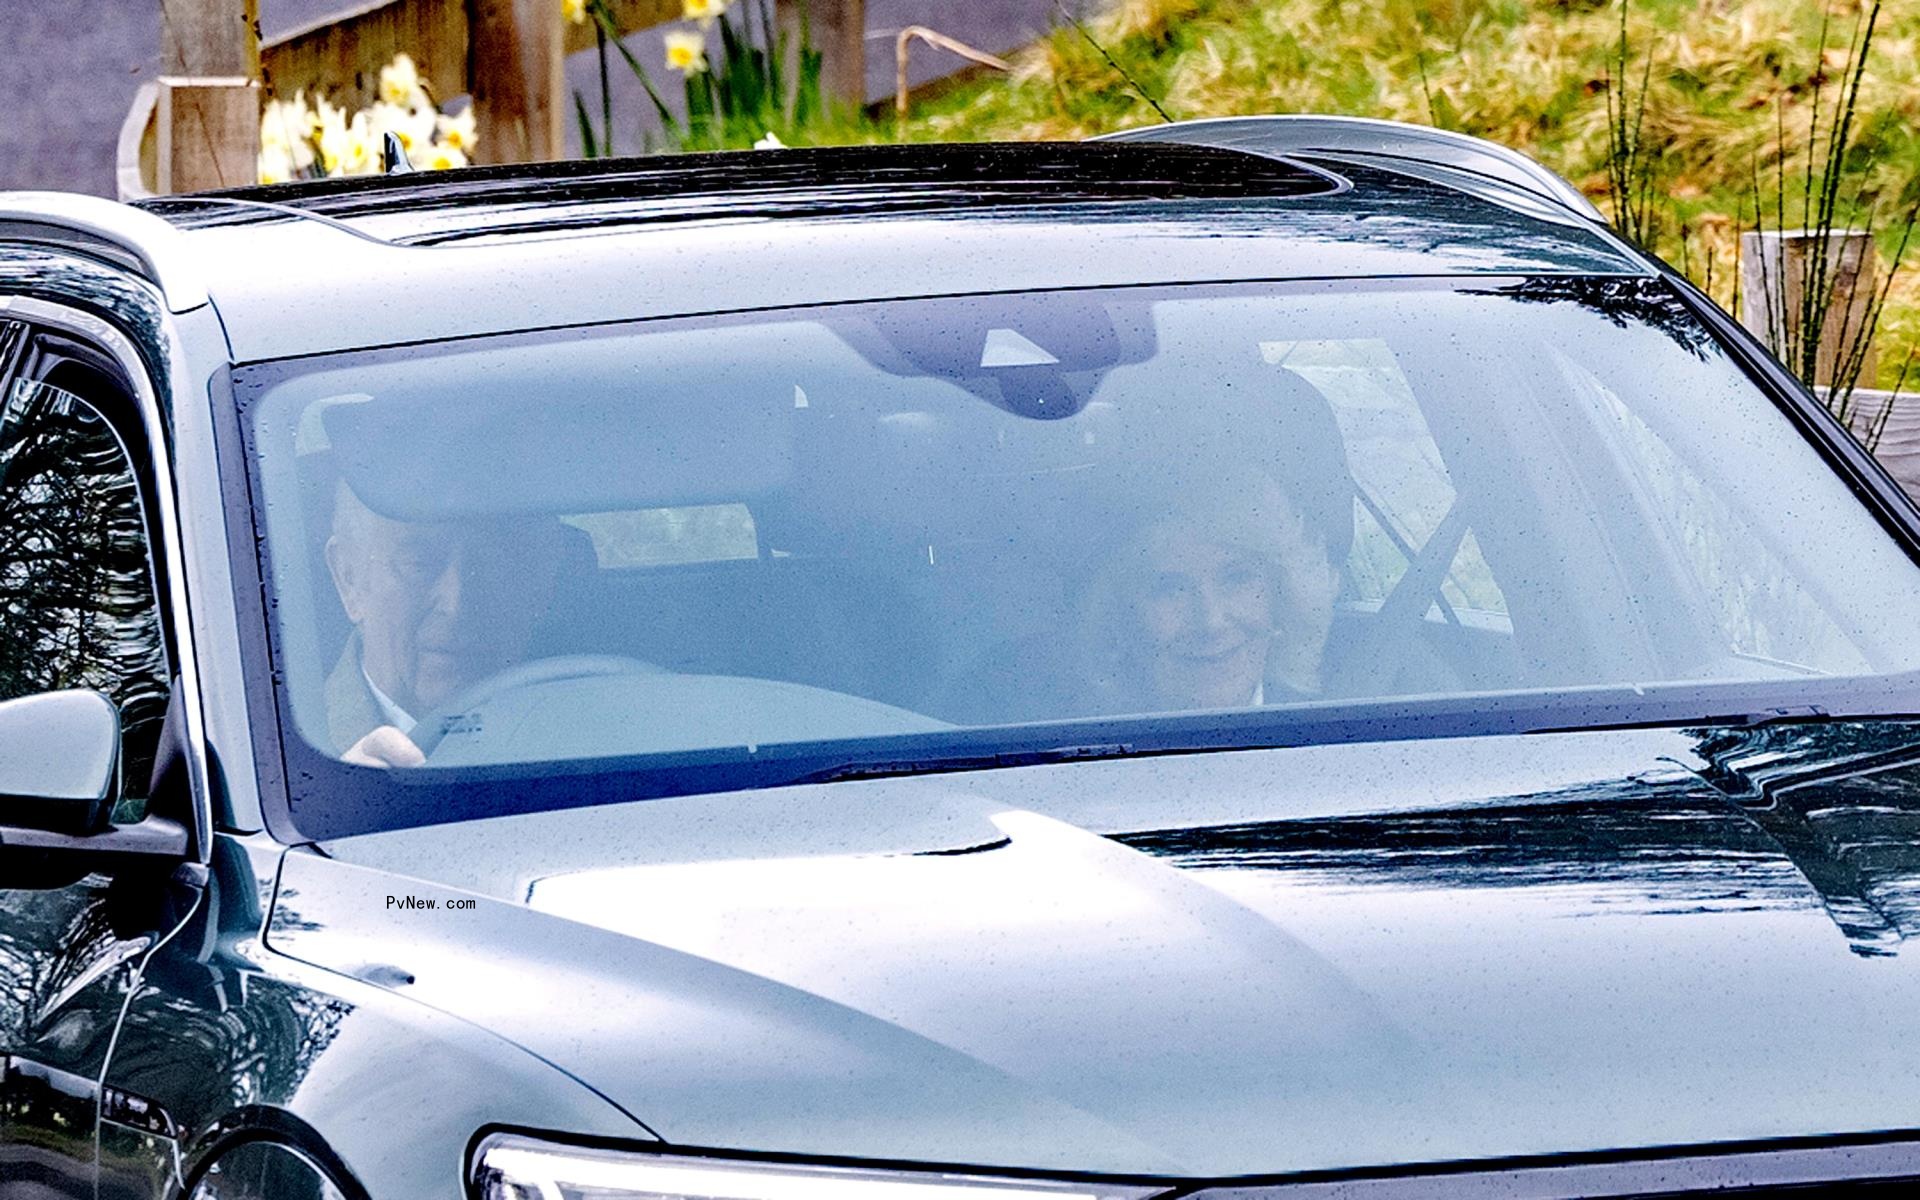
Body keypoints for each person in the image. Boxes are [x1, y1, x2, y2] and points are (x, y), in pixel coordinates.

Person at [322, 481, 570, 767]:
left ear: (539, 582)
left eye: (491, 564)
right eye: (419, 564)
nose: (456, 605)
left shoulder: (599, 736)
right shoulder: (287, 760)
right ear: (349, 579)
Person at [1068, 459, 1343, 715]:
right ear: (1116, 616)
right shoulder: (1068, 746)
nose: (1211, 623)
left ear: (1282, 595)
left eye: (1237, 578)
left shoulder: (1334, 733)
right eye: (1169, 589)